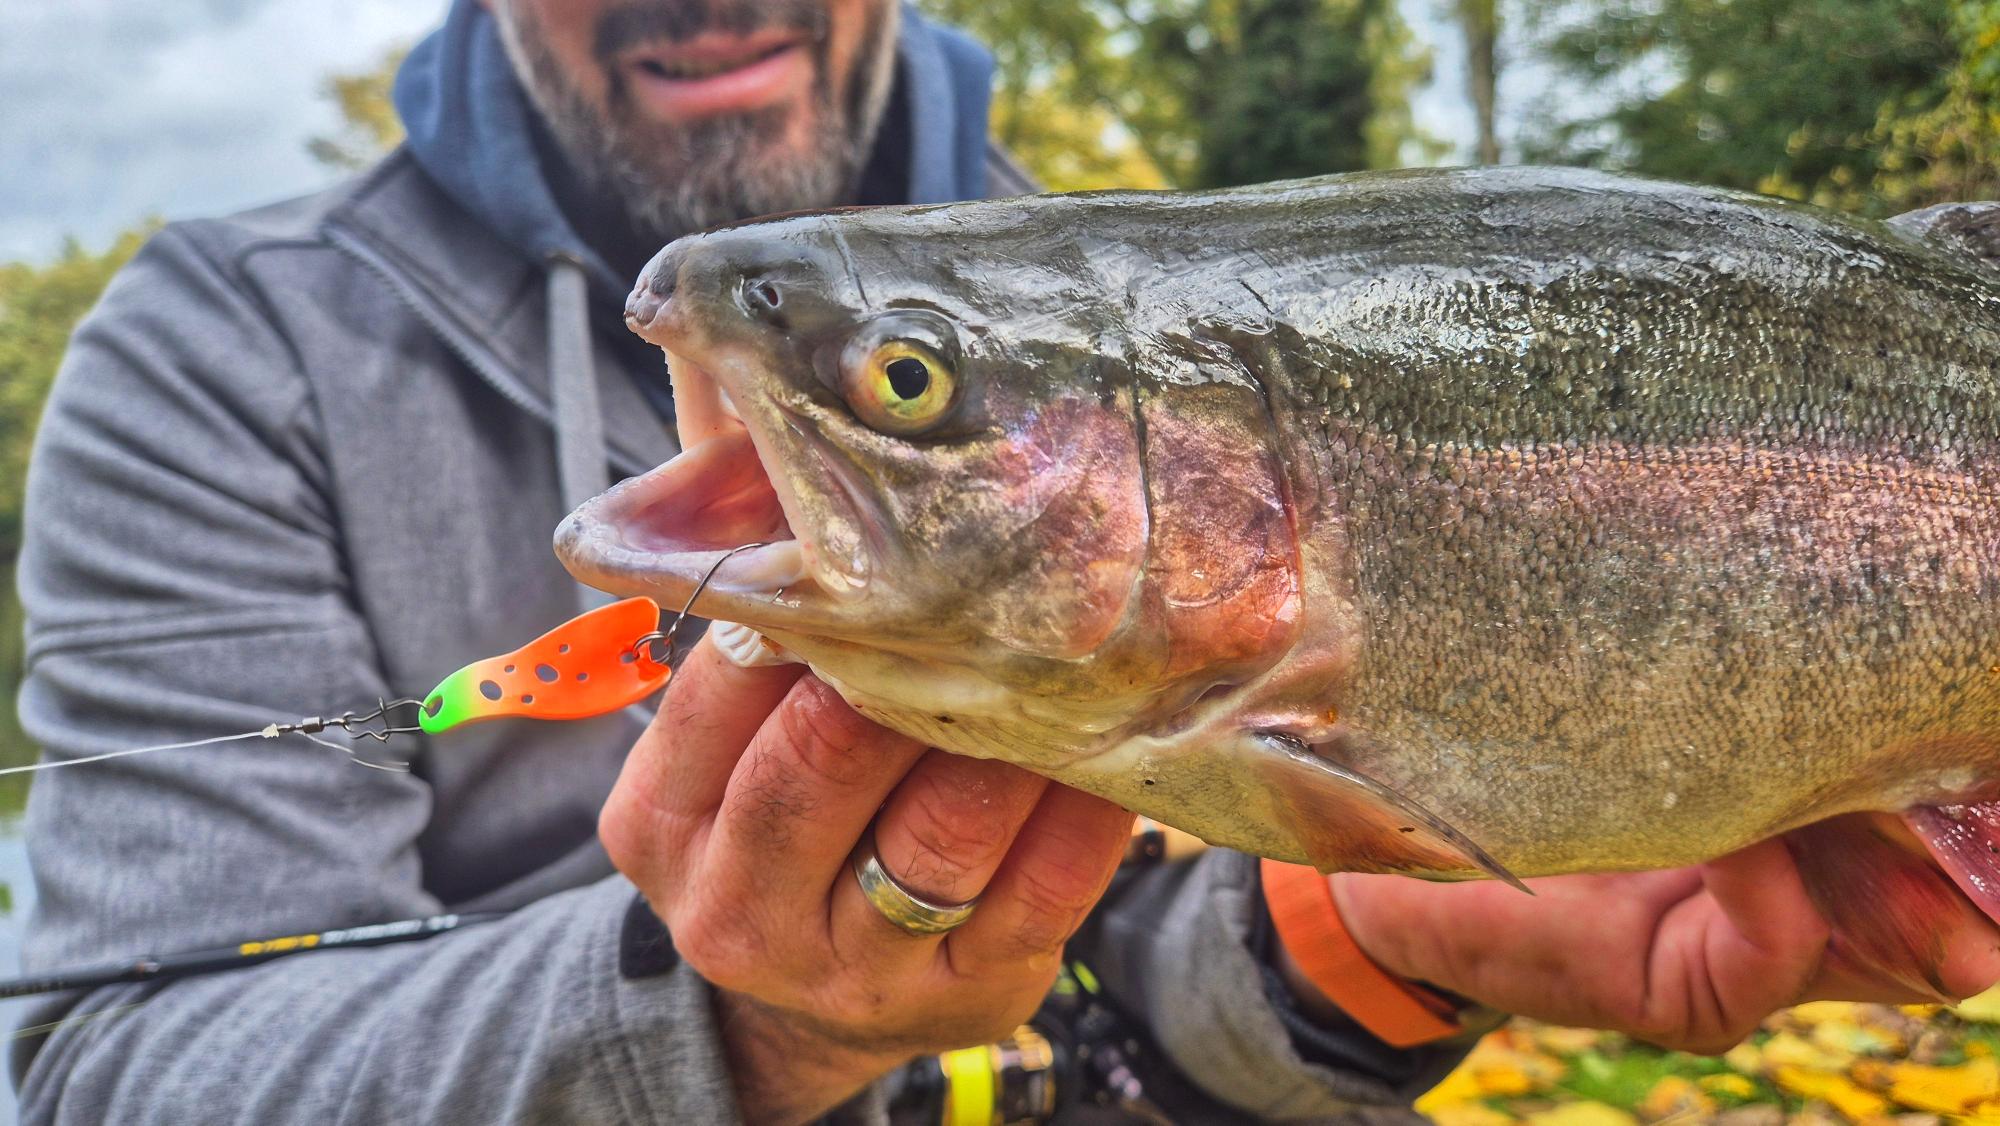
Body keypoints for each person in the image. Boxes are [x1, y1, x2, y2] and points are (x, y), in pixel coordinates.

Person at [13, 0, 1997, 1122]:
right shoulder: (219, 356)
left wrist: (1360, 942)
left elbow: (1113, 1012)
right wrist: (729, 1021)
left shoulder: (1107, 263)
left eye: (903, 377)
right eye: (906, 373)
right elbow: (113, 1066)